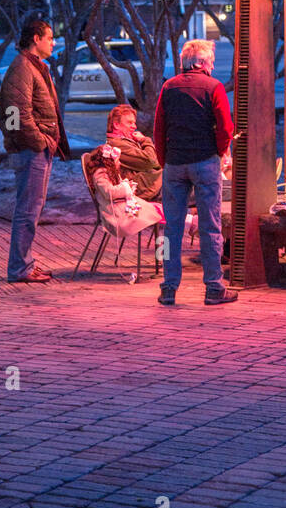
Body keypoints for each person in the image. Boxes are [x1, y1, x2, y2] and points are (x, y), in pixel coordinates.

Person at [153, 38, 237, 307]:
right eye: (211, 60)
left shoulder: (168, 87)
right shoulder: (214, 88)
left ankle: (168, 288)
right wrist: (220, 151)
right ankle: (214, 288)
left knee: (172, 229)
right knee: (210, 226)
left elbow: (158, 128)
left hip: (174, 164)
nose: (213, 65)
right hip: (204, 162)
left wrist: (165, 160)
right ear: (201, 62)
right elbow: (226, 127)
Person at [0, 12, 71, 284]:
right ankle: (19, 269)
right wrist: (40, 141)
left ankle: (25, 264)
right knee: (28, 210)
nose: (54, 43)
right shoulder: (22, 68)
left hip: (37, 150)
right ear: (36, 38)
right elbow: (14, 113)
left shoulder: (35, 66)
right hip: (31, 151)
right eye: (50, 38)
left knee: (32, 209)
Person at [89, 141, 165, 242]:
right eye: (117, 161)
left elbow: (117, 188)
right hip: (116, 216)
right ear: (109, 163)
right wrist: (125, 186)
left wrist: (127, 185)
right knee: (155, 211)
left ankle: (189, 221)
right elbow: (109, 192)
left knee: (157, 208)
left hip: (121, 207)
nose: (120, 163)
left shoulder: (110, 173)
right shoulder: (101, 175)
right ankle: (189, 221)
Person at [105, 103, 162, 200]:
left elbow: (155, 161)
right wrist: (145, 140)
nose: (134, 126)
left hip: (153, 182)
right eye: (129, 123)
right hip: (146, 189)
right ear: (116, 125)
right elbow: (150, 161)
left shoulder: (125, 140)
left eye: (134, 123)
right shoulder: (117, 145)